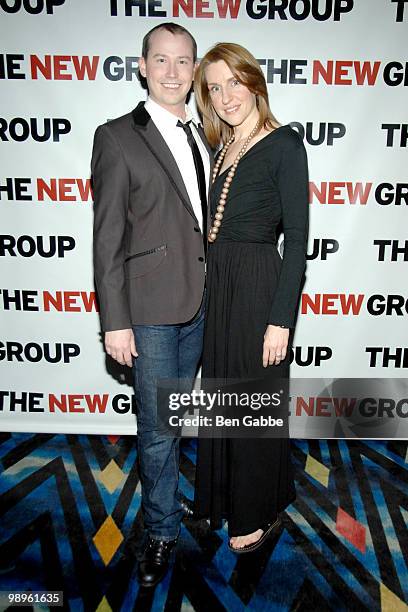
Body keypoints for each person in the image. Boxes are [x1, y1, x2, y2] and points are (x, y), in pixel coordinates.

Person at [91, 23, 211, 586]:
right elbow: (107, 237)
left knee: (175, 416)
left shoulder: (206, 133)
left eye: (183, 62)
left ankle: (165, 502)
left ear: (194, 70)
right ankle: (160, 530)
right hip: (151, 310)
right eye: (160, 60)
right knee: (159, 425)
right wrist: (115, 320)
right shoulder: (116, 136)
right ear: (141, 66)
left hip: (203, 303)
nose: (171, 72)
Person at [193, 43, 309, 552]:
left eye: (233, 83)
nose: (225, 96)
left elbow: (300, 238)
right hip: (219, 283)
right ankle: (221, 497)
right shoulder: (221, 147)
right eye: (214, 88)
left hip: (259, 282)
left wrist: (280, 319)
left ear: (254, 82)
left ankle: (255, 510)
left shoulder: (285, 144)